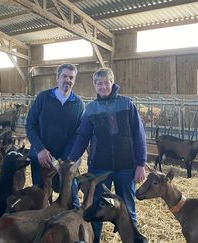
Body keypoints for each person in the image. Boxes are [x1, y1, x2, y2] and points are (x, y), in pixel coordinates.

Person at [69, 67, 147, 243]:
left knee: (127, 209)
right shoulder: (91, 109)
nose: (103, 87)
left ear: (112, 83)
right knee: (96, 209)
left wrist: (141, 164)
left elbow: (139, 134)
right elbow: (83, 137)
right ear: (94, 86)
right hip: (99, 167)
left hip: (126, 166)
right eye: (99, 84)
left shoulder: (127, 104)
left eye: (106, 83)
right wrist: (72, 159)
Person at [25, 63, 84, 207]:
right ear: (57, 78)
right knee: (40, 196)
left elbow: (77, 134)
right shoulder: (43, 98)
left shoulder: (78, 104)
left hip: (65, 158)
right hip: (41, 155)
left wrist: (65, 159)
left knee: (71, 196)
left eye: (71, 77)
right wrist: (39, 149)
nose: (67, 80)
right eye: (64, 76)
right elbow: (30, 125)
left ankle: (72, 221)